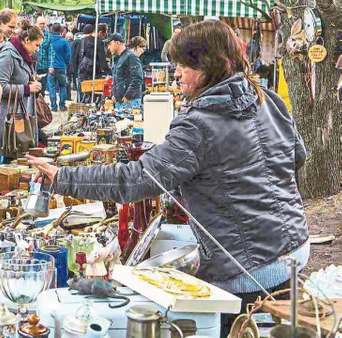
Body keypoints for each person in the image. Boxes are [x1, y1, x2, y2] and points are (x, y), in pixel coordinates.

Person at [27, 20, 309, 336]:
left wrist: (63, 177)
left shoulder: (199, 124)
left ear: (209, 66)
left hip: (247, 269)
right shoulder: (268, 98)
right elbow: (297, 157)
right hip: (294, 246)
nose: (175, 73)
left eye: (184, 65)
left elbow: (134, 181)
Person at [0, 19, 43, 161]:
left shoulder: (22, 55)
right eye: (36, 45)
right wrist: (27, 88)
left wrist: (31, 80)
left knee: (12, 156)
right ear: (27, 40)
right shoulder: (8, 55)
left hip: (18, 113)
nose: (37, 49)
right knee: (1, 159)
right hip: (8, 116)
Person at [70, 24, 109, 103]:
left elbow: (75, 57)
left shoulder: (82, 41)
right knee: (94, 94)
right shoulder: (99, 43)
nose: (103, 37)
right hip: (95, 73)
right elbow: (102, 60)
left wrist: (75, 72)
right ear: (100, 32)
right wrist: (108, 71)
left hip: (83, 71)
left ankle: (80, 110)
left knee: (82, 94)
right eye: (103, 34)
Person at [106, 33, 143, 109]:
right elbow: (116, 79)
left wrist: (128, 96)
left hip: (130, 102)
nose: (108, 47)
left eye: (110, 44)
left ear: (117, 43)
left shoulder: (131, 56)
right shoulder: (117, 59)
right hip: (120, 102)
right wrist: (113, 94)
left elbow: (137, 78)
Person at [48, 23, 71, 112]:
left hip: (51, 67)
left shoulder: (49, 41)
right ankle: (62, 105)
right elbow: (68, 55)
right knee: (63, 86)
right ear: (60, 31)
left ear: (52, 30)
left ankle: (53, 106)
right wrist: (65, 63)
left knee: (52, 87)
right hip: (61, 67)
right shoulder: (64, 41)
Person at [35, 16, 54, 97]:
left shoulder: (49, 36)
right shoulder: (32, 34)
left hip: (44, 66)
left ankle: (40, 107)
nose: (42, 25)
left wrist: (51, 65)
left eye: (44, 24)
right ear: (36, 24)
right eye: (40, 24)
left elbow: (51, 52)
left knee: (42, 89)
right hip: (33, 66)